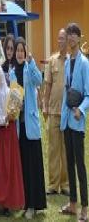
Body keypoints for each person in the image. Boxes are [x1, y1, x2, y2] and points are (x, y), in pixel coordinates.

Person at [10, 37, 46, 219]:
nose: (19, 53)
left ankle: (34, 204)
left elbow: (39, 80)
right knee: (24, 166)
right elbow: (11, 97)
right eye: (17, 50)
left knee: (34, 165)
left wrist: (31, 62)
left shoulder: (28, 67)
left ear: (26, 52)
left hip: (30, 124)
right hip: (19, 126)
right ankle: (26, 203)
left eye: (22, 51)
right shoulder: (11, 72)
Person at [60, 23, 89, 222]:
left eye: (73, 35)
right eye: (68, 34)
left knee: (80, 165)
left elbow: (88, 94)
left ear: (79, 38)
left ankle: (85, 209)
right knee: (69, 163)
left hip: (78, 120)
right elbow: (65, 91)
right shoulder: (66, 61)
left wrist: (81, 109)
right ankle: (72, 204)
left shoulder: (85, 63)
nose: (70, 38)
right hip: (66, 119)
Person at [0, 64, 24, 215]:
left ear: (1, 77)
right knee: (1, 168)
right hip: (1, 133)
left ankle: (11, 200)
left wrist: (12, 114)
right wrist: (3, 118)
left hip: (9, 132)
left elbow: (14, 110)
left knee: (10, 166)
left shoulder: (8, 91)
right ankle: (1, 201)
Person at [43, 29, 69, 196]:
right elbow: (47, 86)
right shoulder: (52, 61)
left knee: (66, 149)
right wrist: (44, 106)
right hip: (53, 111)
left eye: (63, 38)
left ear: (68, 40)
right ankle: (52, 184)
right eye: (58, 38)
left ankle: (65, 184)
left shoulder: (72, 61)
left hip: (67, 112)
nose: (60, 41)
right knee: (53, 149)